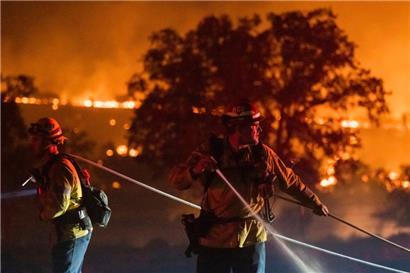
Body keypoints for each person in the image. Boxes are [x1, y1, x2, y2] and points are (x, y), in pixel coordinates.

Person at [169, 100, 329, 273]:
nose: (259, 130)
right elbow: (178, 181)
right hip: (215, 240)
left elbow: (291, 182)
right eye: (255, 125)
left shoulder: (263, 153)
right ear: (239, 128)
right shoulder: (211, 150)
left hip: (252, 240)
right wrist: (196, 169)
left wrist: (315, 203)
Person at [28, 117, 92, 273]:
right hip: (68, 233)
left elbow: (58, 206)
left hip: (72, 234)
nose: (32, 143)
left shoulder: (60, 168)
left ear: (48, 142)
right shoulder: (53, 166)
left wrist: (42, 214)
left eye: (37, 139)